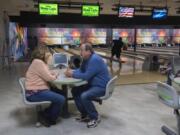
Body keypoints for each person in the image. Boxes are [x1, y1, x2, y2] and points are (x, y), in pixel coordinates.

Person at [65, 43, 111, 128]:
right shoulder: (86, 59)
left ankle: (95, 117)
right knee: (75, 90)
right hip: (93, 84)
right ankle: (85, 114)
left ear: (88, 51)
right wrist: (72, 72)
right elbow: (81, 70)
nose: (80, 52)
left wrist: (72, 74)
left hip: (101, 86)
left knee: (84, 96)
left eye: (82, 50)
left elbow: (86, 76)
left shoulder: (94, 59)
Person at [25, 48, 65, 127]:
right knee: (61, 99)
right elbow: (49, 78)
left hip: (36, 90)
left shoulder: (39, 62)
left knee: (59, 92)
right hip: (35, 93)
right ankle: (50, 118)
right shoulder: (38, 62)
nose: (49, 55)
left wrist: (53, 73)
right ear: (42, 54)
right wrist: (56, 75)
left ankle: (46, 113)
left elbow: (48, 72)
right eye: (47, 53)